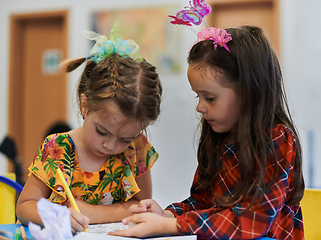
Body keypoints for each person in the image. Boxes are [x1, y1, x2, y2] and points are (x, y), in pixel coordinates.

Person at [109, 26, 305, 239]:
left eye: (209, 98)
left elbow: (253, 220)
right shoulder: (219, 136)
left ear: (249, 91)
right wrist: (166, 215)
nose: (200, 107)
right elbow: (201, 202)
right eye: (197, 97)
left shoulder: (276, 139)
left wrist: (172, 226)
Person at [16, 21, 162, 233]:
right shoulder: (57, 148)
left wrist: (90, 212)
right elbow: (24, 207)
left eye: (125, 138)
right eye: (102, 131)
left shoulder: (136, 148)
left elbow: (142, 206)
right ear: (85, 105)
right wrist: (59, 215)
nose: (111, 145)